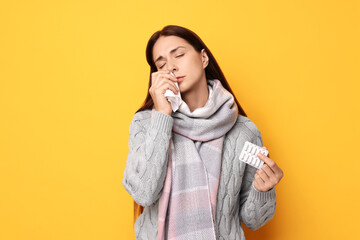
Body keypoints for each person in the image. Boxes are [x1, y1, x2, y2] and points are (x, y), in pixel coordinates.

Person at [122, 25, 284, 240]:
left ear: (204, 58)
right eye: (161, 64)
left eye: (179, 55)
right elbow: (144, 193)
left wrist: (262, 190)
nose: (171, 67)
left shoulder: (243, 132)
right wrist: (162, 115)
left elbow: (253, 221)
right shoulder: (145, 123)